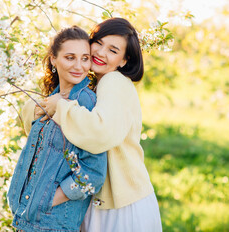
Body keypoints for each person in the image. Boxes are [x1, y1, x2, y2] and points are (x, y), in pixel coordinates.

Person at [28, 18, 162, 231]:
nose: (100, 53)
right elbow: (39, 118)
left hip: (121, 207)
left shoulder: (114, 81)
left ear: (123, 61)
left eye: (113, 50)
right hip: (102, 201)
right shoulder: (90, 84)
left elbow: (101, 134)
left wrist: (61, 107)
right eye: (98, 43)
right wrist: (47, 106)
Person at [7, 26, 107, 232]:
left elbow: (93, 172)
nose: (79, 66)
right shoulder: (51, 99)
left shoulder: (86, 104)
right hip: (26, 216)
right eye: (70, 58)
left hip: (54, 221)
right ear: (54, 59)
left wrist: (46, 200)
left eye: (85, 58)